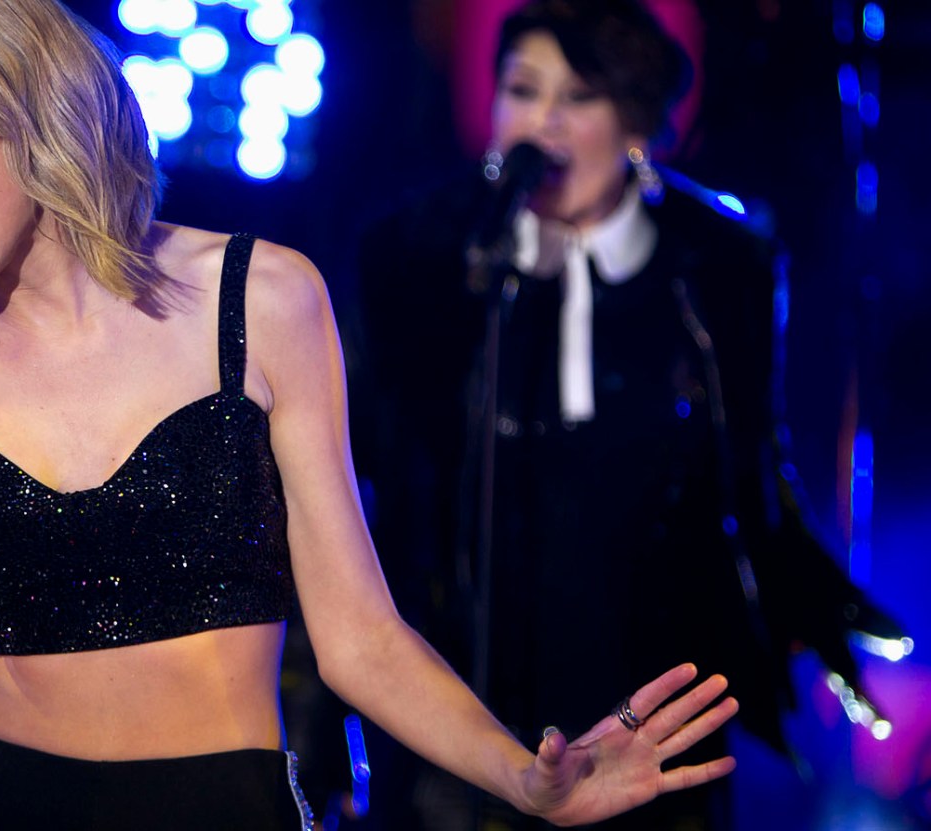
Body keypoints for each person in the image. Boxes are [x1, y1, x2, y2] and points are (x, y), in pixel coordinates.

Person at [0, 0, 743, 827]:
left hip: (226, 805)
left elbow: (360, 641)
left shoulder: (265, 297)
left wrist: (525, 780)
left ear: (33, 106)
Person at [354, 1, 906, 829]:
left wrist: (810, 597)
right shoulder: (425, 256)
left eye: (579, 98)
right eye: (521, 90)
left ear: (637, 124)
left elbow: (753, 467)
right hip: (468, 684)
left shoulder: (723, 263)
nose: (542, 122)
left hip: (651, 682)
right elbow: (374, 477)